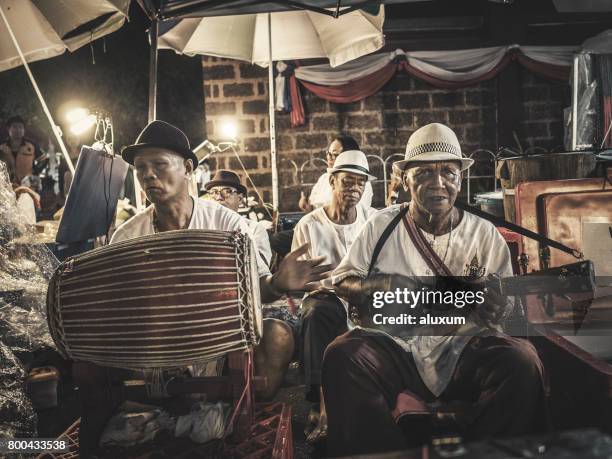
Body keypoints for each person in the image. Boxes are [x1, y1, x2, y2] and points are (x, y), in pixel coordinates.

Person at [322, 123, 545, 456]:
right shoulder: (381, 226)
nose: (438, 183)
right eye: (424, 173)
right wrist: (376, 285)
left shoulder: (483, 233)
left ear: (460, 178)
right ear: (406, 179)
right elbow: (341, 280)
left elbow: (507, 307)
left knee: (522, 360)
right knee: (342, 355)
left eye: (448, 173)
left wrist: (499, 308)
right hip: (395, 347)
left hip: (461, 349)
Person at [110, 120, 331, 399]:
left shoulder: (228, 224)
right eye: (141, 168)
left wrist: (277, 283)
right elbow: (121, 310)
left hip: (222, 340)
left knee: (278, 336)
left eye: (160, 164)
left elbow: (256, 288)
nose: (148, 175)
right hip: (159, 345)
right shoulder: (127, 236)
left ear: (188, 168)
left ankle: (236, 407)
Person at [292, 150, 377, 443]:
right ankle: (317, 403)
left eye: (360, 183)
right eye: (347, 182)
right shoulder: (309, 225)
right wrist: (330, 287)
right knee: (316, 313)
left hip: (362, 295)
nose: (354, 189)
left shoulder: (373, 220)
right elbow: (303, 281)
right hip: (325, 295)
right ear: (332, 181)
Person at [204, 169, 291, 398]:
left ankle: (251, 400)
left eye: (227, 192)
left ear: (240, 198)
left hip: (241, 311)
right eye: (213, 193)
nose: (219, 197)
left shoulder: (252, 229)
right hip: (205, 313)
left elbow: (258, 279)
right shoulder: (199, 228)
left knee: (276, 335)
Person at [298, 135, 373, 213]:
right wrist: (307, 206)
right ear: (332, 181)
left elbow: (352, 212)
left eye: (335, 154)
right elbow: (312, 203)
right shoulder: (324, 178)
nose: (329, 157)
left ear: (348, 157)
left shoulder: (362, 183)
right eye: (328, 153)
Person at [0, 116, 45, 188]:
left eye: (20, 127)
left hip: (27, 187)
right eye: (14, 127)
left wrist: (35, 173)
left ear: (24, 130)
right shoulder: (2, 147)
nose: (18, 130)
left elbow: (43, 160)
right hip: (6, 187)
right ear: (8, 129)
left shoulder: (32, 145)